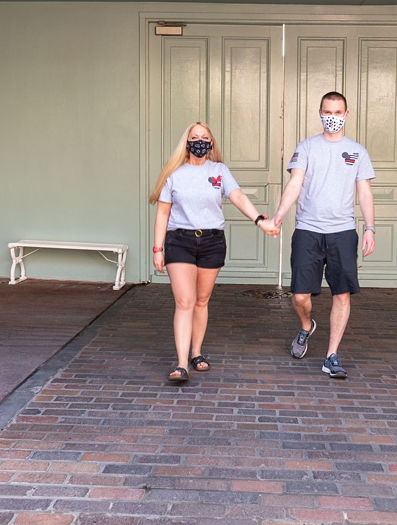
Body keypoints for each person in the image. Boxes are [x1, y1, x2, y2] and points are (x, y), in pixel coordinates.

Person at [149, 122, 278, 384]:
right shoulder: (174, 174)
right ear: (187, 142)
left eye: (204, 137)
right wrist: (157, 249)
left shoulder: (219, 171)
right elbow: (163, 213)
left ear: (211, 143)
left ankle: (197, 353)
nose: (199, 141)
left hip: (212, 241)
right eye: (194, 137)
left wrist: (259, 220)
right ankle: (182, 364)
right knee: (184, 301)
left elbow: (238, 196)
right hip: (180, 240)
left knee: (201, 300)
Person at [271, 92, 375, 378]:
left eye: (337, 111)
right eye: (327, 111)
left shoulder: (358, 152)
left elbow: (364, 192)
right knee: (300, 295)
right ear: (319, 113)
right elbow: (295, 184)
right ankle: (306, 326)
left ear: (346, 114)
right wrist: (279, 215)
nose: (332, 116)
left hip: (342, 232)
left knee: (342, 294)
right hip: (308, 230)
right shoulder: (306, 147)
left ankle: (331, 355)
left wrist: (370, 227)